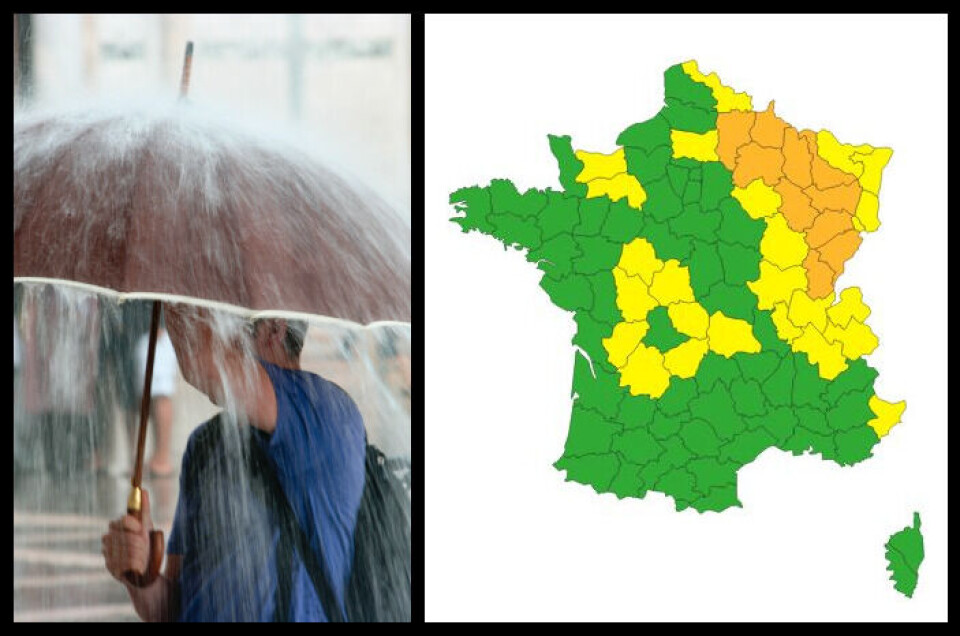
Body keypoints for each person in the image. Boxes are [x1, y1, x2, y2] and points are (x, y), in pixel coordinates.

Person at [102, 304, 366, 622]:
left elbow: (200, 361)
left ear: (274, 328)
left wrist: (168, 284)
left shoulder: (326, 412)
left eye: (223, 323)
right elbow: (174, 609)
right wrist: (142, 576)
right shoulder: (206, 443)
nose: (216, 335)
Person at [134, 324, 179, 477]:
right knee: (147, 394)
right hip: (133, 328)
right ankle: (156, 457)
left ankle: (162, 458)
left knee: (160, 391)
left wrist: (160, 322)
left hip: (154, 325)